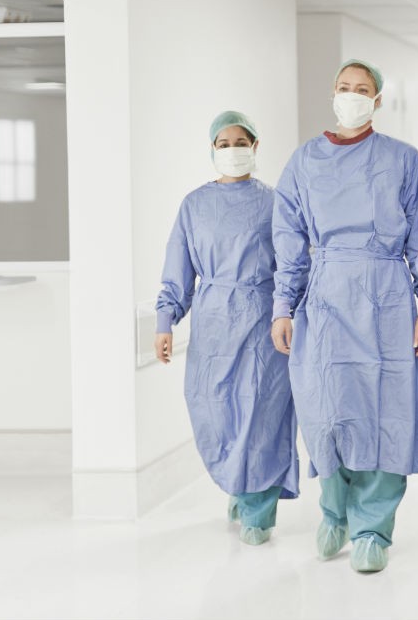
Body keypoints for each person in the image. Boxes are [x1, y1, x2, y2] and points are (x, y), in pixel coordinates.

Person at [270, 58, 418, 574]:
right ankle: (333, 512)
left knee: (386, 413)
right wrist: (282, 306)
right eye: (344, 87)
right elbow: (289, 241)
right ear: (332, 93)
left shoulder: (403, 161)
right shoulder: (303, 162)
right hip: (324, 298)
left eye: (363, 89)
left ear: (378, 100)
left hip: (386, 294)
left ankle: (372, 528)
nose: (353, 95)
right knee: (326, 412)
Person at [154, 110, 300, 546]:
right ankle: (240, 485)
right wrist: (165, 320)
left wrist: (286, 310)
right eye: (223, 143)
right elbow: (178, 268)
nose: (232, 150)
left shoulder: (276, 203)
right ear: (211, 149)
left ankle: (259, 508)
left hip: (262, 321)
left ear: (255, 147)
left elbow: (293, 264)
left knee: (262, 415)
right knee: (215, 411)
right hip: (214, 321)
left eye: (240, 142)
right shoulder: (193, 206)